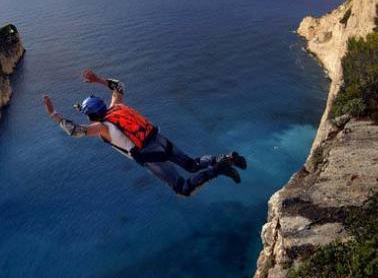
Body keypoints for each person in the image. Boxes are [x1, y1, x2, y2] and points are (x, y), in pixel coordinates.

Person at [43, 69, 247, 197]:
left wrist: (54, 114)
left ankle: (219, 169)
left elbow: (76, 132)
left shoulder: (102, 128)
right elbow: (119, 86)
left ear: (90, 116)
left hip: (150, 155)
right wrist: (98, 80)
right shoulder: (117, 106)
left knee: (182, 188)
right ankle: (227, 158)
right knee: (192, 164)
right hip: (160, 139)